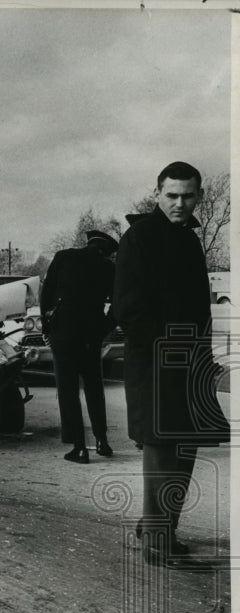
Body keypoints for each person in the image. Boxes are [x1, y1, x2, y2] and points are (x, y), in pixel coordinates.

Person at [113, 161, 228, 566]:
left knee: (185, 449)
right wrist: (167, 352)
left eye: (188, 196)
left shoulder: (188, 239)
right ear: (157, 194)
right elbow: (128, 309)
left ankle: (159, 528)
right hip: (157, 365)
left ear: (198, 196)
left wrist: (202, 360)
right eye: (171, 195)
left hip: (190, 362)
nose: (180, 203)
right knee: (163, 452)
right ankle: (156, 544)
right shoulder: (139, 238)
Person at [40, 230, 119, 463]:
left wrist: (48, 326)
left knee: (68, 389)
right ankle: (102, 441)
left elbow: (47, 294)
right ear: (106, 251)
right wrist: (102, 329)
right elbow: (117, 306)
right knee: (94, 386)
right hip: (90, 335)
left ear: (88, 243)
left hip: (63, 332)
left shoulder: (64, 257)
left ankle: (79, 447)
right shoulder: (109, 268)